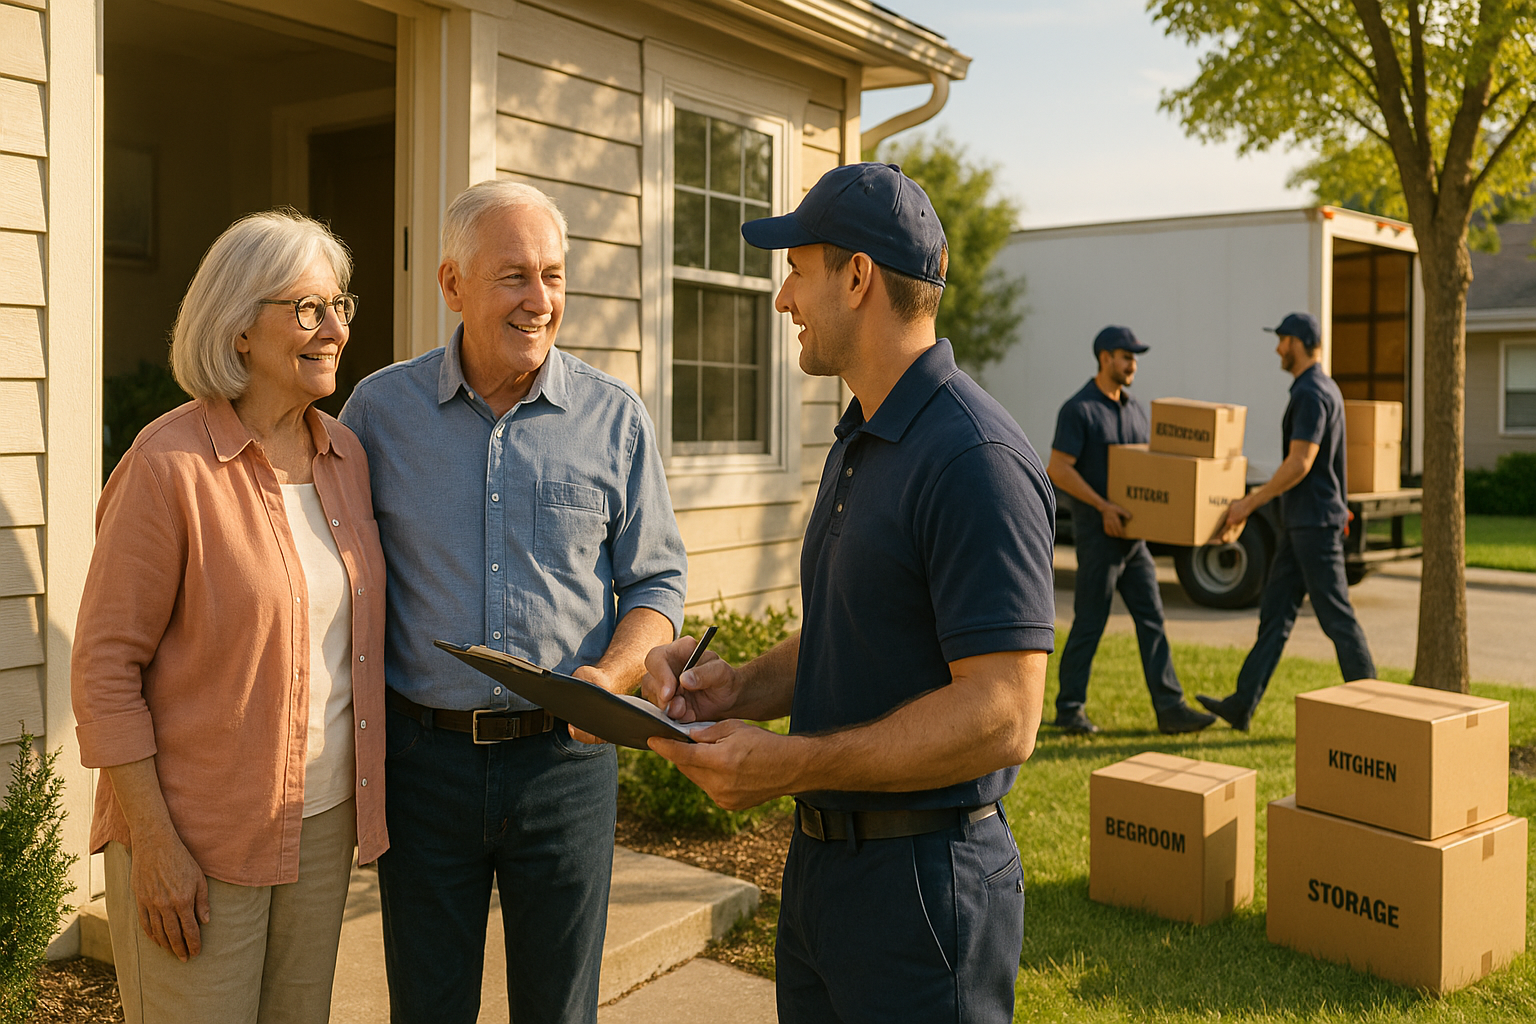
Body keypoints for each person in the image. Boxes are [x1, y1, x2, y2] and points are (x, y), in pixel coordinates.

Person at [641, 163, 1055, 1024]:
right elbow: (859, 629)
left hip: (923, 893)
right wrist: (740, 685)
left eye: (798, 268)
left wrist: (790, 763)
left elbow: (1004, 713)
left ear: (857, 276)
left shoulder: (974, 459)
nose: (784, 298)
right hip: (826, 876)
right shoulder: (863, 434)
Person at [339, 180, 687, 1024]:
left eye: (554, 276)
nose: (541, 301)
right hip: (425, 767)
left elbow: (656, 583)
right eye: (514, 278)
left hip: (563, 769)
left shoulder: (615, 420)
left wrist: (613, 672)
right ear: (452, 285)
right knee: (428, 1008)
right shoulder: (379, 414)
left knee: (561, 1010)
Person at [71, 210, 387, 1024]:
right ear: (240, 327)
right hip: (195, 834)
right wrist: (157, 848)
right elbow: (105, 672)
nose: (334, 328)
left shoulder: (345, 460)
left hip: (319, 826)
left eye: (340, 306)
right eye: (308, 308)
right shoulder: (165, 464)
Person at [1199, 311, 1376, 730]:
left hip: (1314, 525)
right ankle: (1242, 704)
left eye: (1281, 340)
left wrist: (1249, 503)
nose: (1277, 348)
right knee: (1275, 617)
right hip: (1302, 524)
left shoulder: (1313, 393)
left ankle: (1376, 708)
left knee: (1336, 617)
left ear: (1296, 342)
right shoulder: (1317, 388)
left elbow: (1301, 462)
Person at [1046, 327, 1216, 735]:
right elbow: (1058, 468)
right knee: (1090, 622)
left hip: (1134, 541)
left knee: (1152, 618)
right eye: (1126, 355)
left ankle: (1170, 707)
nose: (1133, 363)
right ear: (1104, 358)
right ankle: (1070, 709)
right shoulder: (1080, 409)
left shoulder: (1136, 409)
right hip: (1099, 537)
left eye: (1135, 356)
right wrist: (1102, 506)